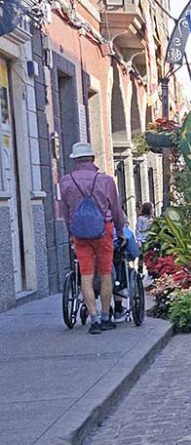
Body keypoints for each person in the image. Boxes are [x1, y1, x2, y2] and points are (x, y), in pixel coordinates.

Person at [60, 142, 126, 334]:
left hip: (80, 233)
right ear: (93, 159)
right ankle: (106, 316)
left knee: (86, 275)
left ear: (75, 160)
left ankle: (94, 319)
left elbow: (65, 211)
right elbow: (116, 210)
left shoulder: (66, 181)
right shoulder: (105, 180)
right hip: (103, 230)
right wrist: (120, 231)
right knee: (105, 274)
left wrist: (71, 233)